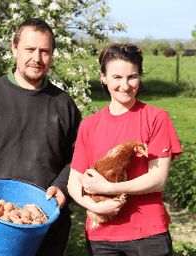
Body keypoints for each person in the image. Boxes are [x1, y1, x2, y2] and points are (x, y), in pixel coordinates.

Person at [0, 18, 82, 256]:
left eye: (45, 51)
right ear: (14, 48)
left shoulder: (64, 105)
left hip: (45, 229)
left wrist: (62, 187)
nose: (37, 58)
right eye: (30, 49)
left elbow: (80, 156)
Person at [67, 44, 183, 256]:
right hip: (101, 236)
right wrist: (94, 207)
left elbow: (158, 179)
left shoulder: (156, 117)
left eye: (132, 77)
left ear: (139, 76)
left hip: (147, 235)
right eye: (117, 77)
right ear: (103, 77)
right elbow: (74, 181)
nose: (125, 85)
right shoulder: (89, 125)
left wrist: (109, 189)